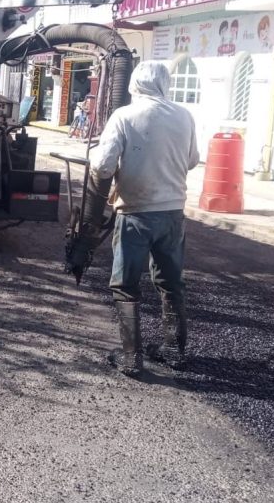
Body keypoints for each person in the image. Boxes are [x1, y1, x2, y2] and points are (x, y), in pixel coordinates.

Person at [91, 61, 200, 376]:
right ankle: (175, 349)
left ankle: (130, 357)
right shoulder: (185, 115)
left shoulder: (125, 116)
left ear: (134, 84)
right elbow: (192, 160)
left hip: (136, 214)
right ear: (165, 83)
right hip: (173, 214)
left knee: (125, 284)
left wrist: (95, 158)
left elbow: (103, 168)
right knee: (171, 282)